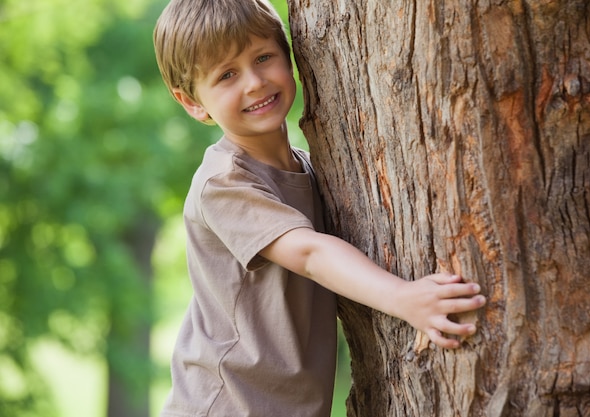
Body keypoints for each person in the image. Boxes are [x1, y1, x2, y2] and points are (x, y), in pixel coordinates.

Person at [153, 0, 486, 416]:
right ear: (192, 102)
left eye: (263, 57)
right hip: (226, 405)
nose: (255, 82)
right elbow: (309, 253)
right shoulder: (223, 183)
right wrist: (403, 298)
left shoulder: (310, 167)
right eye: (226, 75)